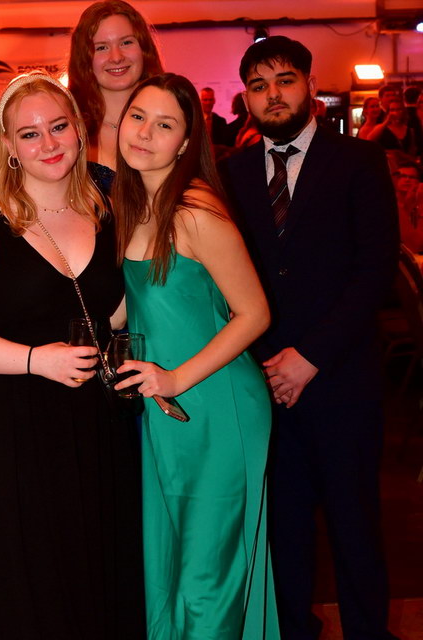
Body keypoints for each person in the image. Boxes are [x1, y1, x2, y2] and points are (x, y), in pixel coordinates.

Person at [0, 70, 145, 639]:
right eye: (30, 134)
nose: (48, 143)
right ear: (8, 144)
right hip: (8, 424)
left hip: (93, 419)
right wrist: (35, 359)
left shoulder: (107, 211)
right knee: (27, 573)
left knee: (94, 563)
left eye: (58, 127)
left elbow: (111, 310)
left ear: (79, 130)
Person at [224, 36, 399, 640]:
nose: (272, 94)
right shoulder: (232, 174)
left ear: (310, 85)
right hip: (265, 382)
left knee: (355, 525)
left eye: (285, 80)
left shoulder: (359, 161)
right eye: (258, 85)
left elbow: (374, 271)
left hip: (342, 377)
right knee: (284, 527)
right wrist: (266, 365)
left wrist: (311, 357)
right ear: (246, 98)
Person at [112, 72, 278, 640]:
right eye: (138, 117)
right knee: (169, 566)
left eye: (164, 125)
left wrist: (175, 378)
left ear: (186, 143)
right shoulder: (134, 203)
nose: (144, 133)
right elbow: (134, 306)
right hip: (165, 408)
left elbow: (254, 313)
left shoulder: (195, 210)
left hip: (216, 405)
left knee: (206, 579)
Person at [68, 0, 163, 170]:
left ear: (144, 49)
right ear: (84, 59)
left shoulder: (174, 122)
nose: (116, 57)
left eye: (126, 43)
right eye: (101, 48)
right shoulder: (69, 130)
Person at [393, 161, 423, 253]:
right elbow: (416, 244)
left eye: (412, 177)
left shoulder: (418, 204)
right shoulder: (392, 204)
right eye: (402, 176)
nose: (407, 180)